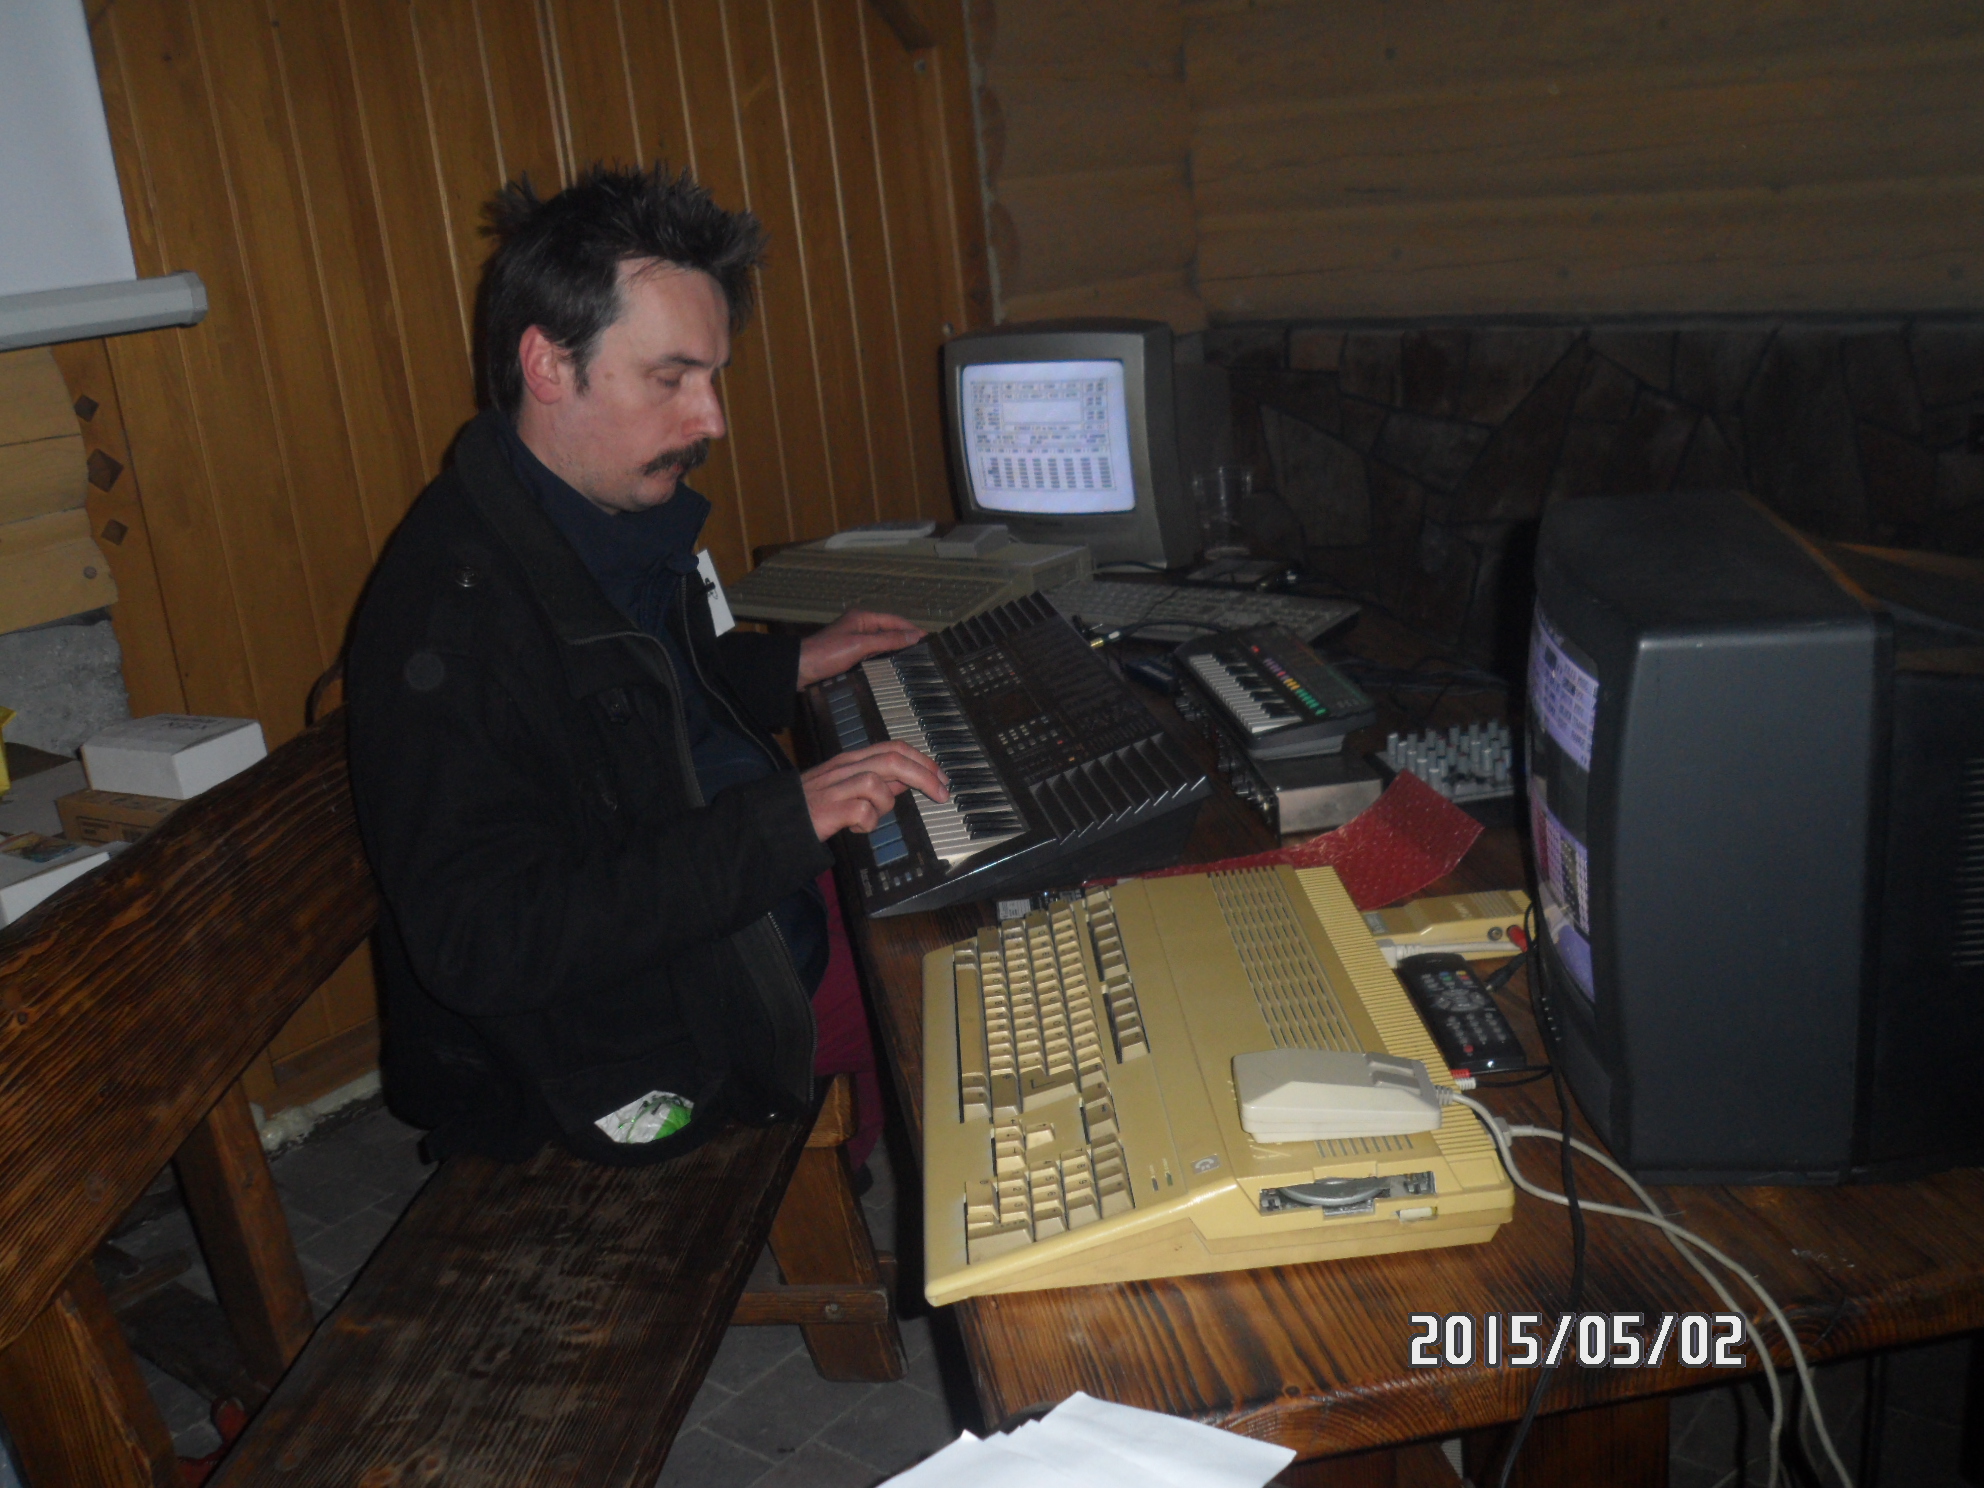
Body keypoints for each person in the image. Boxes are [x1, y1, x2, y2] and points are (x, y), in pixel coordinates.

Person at [345, 165, 942, 1167]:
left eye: (712, 377)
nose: (711, 420)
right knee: (964, 973)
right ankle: (842, 1178)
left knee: (963, 881)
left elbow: (631, 711)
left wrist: (786, 665)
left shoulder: (581, 516)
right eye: (671, 379)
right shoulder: (453, 622)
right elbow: (487, 942)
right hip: (625, 1042)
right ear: (548, 365)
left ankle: (854, 1168)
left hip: (716, 922)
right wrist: (779, 824)